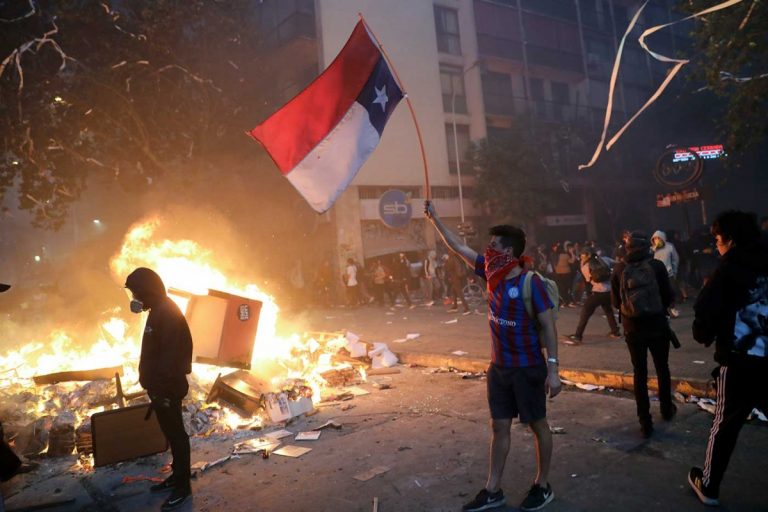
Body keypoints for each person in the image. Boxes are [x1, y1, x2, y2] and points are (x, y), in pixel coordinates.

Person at [425, 201, 561, 512]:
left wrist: (553, 370)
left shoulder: (531, 283)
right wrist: (435, 220)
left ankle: (542, 486)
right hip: (499, 370)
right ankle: (493, 489)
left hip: (528, 369)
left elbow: (548, 328)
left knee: (538, 425)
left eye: (494, 246)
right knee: (499, 427)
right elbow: (458, 246)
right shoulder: (491, 274)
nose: (488, 250)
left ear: (510, 252)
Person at [688, 210, 768, 507]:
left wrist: (705, 332)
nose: (717, 246)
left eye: (718, 240)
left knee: (726, 424)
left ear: (730, 240)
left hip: (740, 361)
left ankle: (709, 485)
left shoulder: (728, 269)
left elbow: (704, 315)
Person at [125, 268, 193, 511]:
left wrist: (161, 389)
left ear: (147, 290)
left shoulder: (166, 312)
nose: (135, 298)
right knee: (171, 434)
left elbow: (170, 356)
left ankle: (183, 487)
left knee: (177, 435)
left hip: (168, 388)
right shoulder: (158, 310)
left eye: (136, 292)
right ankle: (177, 476)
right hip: (161, 388)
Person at [611, 232, 675, 438]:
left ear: (627, 249)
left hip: (633, 329)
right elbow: (668, 296)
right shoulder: (656, 267)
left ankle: (645, 421)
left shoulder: (619, 269)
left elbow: (615, 302)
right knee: (662, 367)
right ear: (647, 248)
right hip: (657, 325)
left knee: (640, 373)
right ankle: (666, 409)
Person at [565, 248, 621, 344]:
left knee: (585, 313)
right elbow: (616, 263)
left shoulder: (585, 266)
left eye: (582, 255)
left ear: (586, 255)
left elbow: (589, 280)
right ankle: (615, 332)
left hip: (598, 291)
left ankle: (578, 336)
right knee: (608, 310)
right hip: (609, 291)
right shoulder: (605, 259)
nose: (581, 257)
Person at [651, 230, 681, 317]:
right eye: (655, 238)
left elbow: (675, 259)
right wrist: (654, 249)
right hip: (657, 275)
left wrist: (674, 271)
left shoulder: (670, 247)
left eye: (658, 238)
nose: (657, 240)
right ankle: (664, 310)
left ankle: (672, 308)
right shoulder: (652, 249)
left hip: (669, 273)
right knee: (660, 293)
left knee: (672, 291)